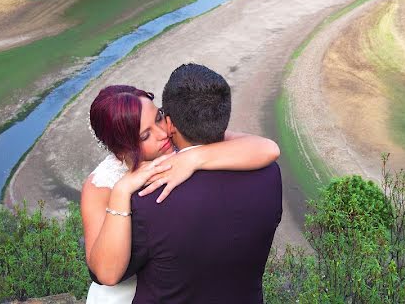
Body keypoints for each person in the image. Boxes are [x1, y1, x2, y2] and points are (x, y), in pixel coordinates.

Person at [81, 84, 280, 303]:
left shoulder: (178, 139)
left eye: (158, 118)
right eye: (146, 135)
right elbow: (107, 273)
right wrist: (121, 191)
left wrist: (194, 157)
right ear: (121, 150)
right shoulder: (101, 185)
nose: (162, 133)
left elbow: (268, 148)